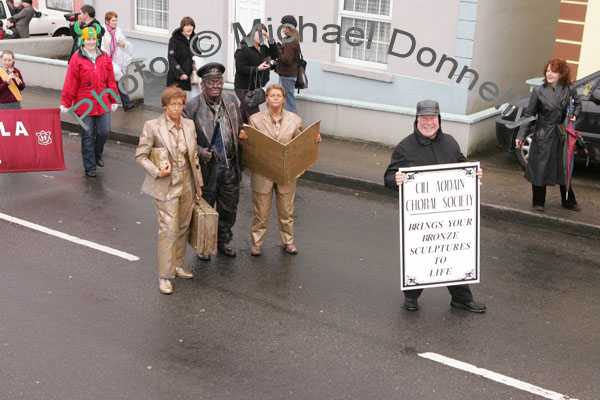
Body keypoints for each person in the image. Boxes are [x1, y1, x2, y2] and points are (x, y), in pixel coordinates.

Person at [384, 99, 486, 313]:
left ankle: (461, 298)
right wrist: (397, 180)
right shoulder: (405, 147)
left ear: (439, 120)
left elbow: (461, 163)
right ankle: (411, 296)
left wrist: (473, 174)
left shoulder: (449, 141)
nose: (428, 123)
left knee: (453, 254)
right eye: (424, 118)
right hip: (422, 217)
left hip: (451, 215)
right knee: (422, 255)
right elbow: (388, 177)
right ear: (417, 120)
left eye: (433, 118)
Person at [135, 86, 204, 295]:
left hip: (187, 184)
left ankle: (178, 265)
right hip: (166, 186)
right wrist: (157, 171)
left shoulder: (189, 125)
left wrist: (198, 185)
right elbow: (140, 155)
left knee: (183, 227)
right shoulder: (152, 126)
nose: (176, 108)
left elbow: (193, 157)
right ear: (164, 106)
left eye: (180, 104)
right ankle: (165, 276)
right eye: (172, 104)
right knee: (169, 230)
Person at [240, 84, 321, 256]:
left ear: (284, 98)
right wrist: (244, 139)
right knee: (260, 212)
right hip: (263, 172)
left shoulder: (295, 119)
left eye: (279, 95)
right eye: (272, 95)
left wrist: (313, 140)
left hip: (286, 172)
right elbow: (251, 145)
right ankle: (256, 243)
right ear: (266, 98)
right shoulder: (255, 119)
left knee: (287, 211)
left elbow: (299, 141)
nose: (275, 98)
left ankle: (288, 241)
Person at [183, 62, 243, 258]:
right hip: (207, 169)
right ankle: (204, 245)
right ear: (202, 85)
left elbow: (239, 127)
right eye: (210, 82)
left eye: (218, 82)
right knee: (206, 208)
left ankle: (223, 240)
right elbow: (183, 138)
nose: (215, 86)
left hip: (230, 166)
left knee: (229, 208)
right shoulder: (192, 107)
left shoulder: (232, 101)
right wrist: (199, 151)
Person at [515, 58, 582, 212]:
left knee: (563, 169)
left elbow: (577, 104)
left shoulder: (569, 89)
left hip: (561, 135)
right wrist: (520, 136)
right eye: (548, 70)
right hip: (543, 134)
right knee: (540, 168)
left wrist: (574, 115)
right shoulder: (539, 91)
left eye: (554, 71)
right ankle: (538, 201)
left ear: (561, 73)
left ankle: (568, 201)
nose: (549, 73)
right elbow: (530, 115)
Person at [60, 27, 119, 178]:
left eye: (93, 39)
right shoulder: (76, 58)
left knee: (104, 132)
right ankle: (90, 166)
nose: (91, 42)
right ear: (83, 40)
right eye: (88, 39)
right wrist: (66, 102)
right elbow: (70, 82)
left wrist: (114, 98)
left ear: (96, 40)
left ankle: (97, 154)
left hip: (102, 102)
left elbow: (110, 80)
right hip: (84, 104)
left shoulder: (104, 56)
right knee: (87, 134)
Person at [234, 24, 278, 123]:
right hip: (243, 88)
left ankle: (237, 129)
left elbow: (275, 55)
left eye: (264, 35)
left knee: (243, 113)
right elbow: (240, 68)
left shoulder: (262, 48)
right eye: (260, 34)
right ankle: (257, 136)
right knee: (255, 116)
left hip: (255, 87)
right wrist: (257, 69)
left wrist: (270, 38)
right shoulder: (242, 48)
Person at [101, 11, 134, 111]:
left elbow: (125, 45)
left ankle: (126, 103)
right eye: (113, 20)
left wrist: (122, 44)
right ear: (107, 21)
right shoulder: (103, 32)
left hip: (116, 61)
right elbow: (102, 47)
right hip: (105, 61)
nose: (115, 22)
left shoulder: (118, 31)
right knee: (108, 83)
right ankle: (106, 103)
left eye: (116, 20)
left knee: (119, 80)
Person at [166, 17, 198, 95]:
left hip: (192, 77)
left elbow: (198, 54)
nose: (189, 28)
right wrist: (180, 73)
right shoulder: (174, 40)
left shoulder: (195, 39)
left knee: (190, 102)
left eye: (191, 26)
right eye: (186, 26)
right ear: (182, 27)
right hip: (177, 76)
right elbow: (171, 58)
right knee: (176, 101)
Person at [276, 15, 300, 114]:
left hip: (287, 76)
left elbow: (287, 60)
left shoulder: (290, 41)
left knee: (289, 104)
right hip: (287, 75)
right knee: (286, 102)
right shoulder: (290, 39)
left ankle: (295, 126)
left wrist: (278, 49)